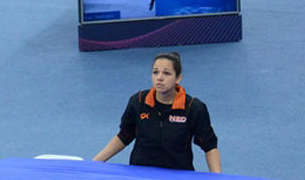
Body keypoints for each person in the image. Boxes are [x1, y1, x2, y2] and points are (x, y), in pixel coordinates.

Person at [92, 52, 221, 172]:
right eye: (155, 72)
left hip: (179, 176)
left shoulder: (194, 108)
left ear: (178, 78)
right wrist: (93, 164)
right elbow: (124, 136)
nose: (159, 78)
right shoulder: (138, 101)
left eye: (167, 73)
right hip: (141, 174)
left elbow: (209, 147)